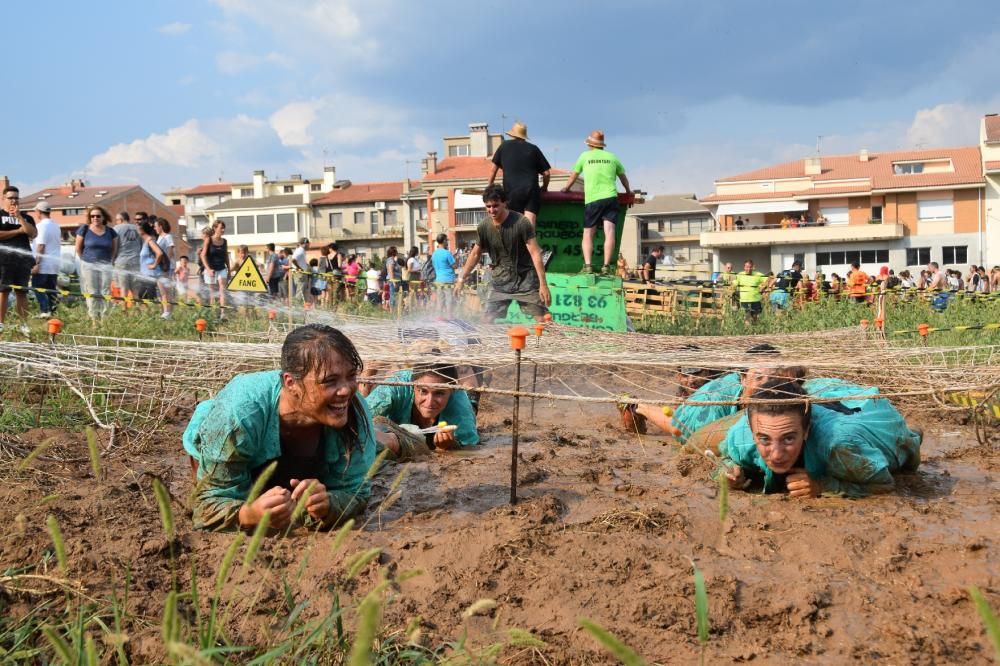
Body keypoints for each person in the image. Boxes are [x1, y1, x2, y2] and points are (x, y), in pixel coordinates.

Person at [183, 324, 376, 531]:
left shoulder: (353, 413)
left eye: (351, 376)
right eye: (330, 381)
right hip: (223, 442)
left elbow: (357, 492)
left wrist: (329, 503)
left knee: (386, 443)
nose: (346, 390)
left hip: (296, 449)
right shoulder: (237, 418)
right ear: (291, 383)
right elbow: (206, 507)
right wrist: (248, 514)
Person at [719, 378, 921, 497]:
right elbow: (722, 461)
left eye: (789, 439)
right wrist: (729, 474)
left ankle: (914, 432)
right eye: (764, 440)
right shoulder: (740, 437)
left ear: (806, 430)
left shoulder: (840, 446)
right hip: (828, 409)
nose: (777, 454)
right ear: (751, 430)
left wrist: (823, 486)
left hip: (870, 415)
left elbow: (885, 484)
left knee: (906, 447)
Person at [455, 185, 551, 323]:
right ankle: (485, 344)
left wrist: (543, 284)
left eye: (495, 206)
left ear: (504, 203)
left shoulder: (521, 222)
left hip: (525, 280)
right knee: (486, 320)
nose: (491, 210)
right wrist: (461, 279)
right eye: (488, 206)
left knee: (542, 319)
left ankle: (544, 344)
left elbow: (535, 253)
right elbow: (475, 255)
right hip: (500, 280)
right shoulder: (484, 227)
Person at [367, 361, 480, 460]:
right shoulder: (396, 387)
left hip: (463, 401)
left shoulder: (460, 407)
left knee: (471, 397)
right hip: (399, 388)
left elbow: (470, 447)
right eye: (423, 391)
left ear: (451, 392)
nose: (429, 402)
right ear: (413, 387)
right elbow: (361, 414)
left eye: (439, 393)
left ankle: (465, 369)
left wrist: (450, 446)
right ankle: (367, 377)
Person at [560, 130, 631, 276]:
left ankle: (588, 266)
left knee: (588, 233)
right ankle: (606, 266)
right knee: (609, 233)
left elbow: (574, 175)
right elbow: (623, 177)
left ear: (590, 144)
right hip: (611, 197)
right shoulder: (612, 157)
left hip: (593, 199)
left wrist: (566, 188)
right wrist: (628, 190)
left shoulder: (585, 156)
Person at [487, 121, 552, 225]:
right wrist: (544, 187)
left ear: (512, 134)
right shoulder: (533, 149)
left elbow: (493, 170)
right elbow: (547, 173)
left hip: (511, 191)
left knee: (514, 226)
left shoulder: (504, 146)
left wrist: (489, 188)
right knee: (529, 226)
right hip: (531, 191)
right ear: (524, 136)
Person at [0, 185, 37, 334]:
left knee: (22, 293)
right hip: (3, 260)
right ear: (3, 199)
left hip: (23, 260)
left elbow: (32, 234)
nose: (14, 200)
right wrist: (18, 231)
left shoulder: (27, 217)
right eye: (10, 198)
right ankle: (1, 323)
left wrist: (20, 218)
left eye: (16, 197)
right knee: (3, 291)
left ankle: (24, 324)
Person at [75, 206, 119, 322]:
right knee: (92, 291)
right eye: (92, 216)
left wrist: (112, 261)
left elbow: (114, 249)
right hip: (88, 265)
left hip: (106, 265)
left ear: (103, 217)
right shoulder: (84, 229)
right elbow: (78, 248)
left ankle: (104, 318)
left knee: (105, 291)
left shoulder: (110, 231)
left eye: (98, 216)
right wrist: (84, 260)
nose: (95, 218)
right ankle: (94, 319)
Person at [30, 201, 61, 318]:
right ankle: (53, 312)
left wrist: (36, 263)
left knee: (37, 286)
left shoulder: (41, 226)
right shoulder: (55, 225)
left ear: (38, 212)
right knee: (51, 289)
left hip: (44, 264)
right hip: (54, 264)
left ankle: (45, 311)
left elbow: (41, 246)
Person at [110, 211, 142, 304]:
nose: (116, 222)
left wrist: (112, 260)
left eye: (117, 220)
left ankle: (124, 312)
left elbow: (115, 247)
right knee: (135, 290)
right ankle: (138, 311)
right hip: (136, 261)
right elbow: (140, 245)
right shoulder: (137, 228)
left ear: (121, 219)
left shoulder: (116, 228)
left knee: (123, 288)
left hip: (121, 261)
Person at [201, 220, 231, 315]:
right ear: (215, 228)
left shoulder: (224, 241)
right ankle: (213, 313)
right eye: (221, 228)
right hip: (211, 269)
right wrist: (208, 269)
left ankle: (223, 313)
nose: (223, 230)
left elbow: (226, 256)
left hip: (222, 268)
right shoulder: (208, 240)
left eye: (223, 228)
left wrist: (229, 270)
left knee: (222, 291)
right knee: (212, 293)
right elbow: (203, 255)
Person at [137, 221, 167, 305]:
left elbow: (159, 253)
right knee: (142, 296)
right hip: (145, 275)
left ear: (142, 230)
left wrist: (154, 265)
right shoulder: (145, 241)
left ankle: (154, 314)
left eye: (138, 228)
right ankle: (149, 315)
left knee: (149, 297)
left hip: (150, 274)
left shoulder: (150, 241)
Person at [154, 218, 175, 319]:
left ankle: (168, 312)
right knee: (161, 290)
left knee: (166, 290)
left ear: (160, 226)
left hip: (167, 268)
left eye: (156, 226)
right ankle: (165, 311)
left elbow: (170, 250)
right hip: (160, 268)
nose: (155, 228)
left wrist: (166, 264)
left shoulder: (168, 236)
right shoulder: (158, 238)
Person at [431, 233, 457, 312]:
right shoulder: (447, 253)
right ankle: (449, 316)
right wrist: (456, 259)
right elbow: (454, 266)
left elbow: (434, 265)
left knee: (440, 300)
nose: (447, 242)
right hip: (448, 280)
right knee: (449, 300)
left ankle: (439, 317)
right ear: (443, 241)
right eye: (446, 240)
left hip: (438, 280)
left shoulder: (434, 254)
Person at [291, 238, 311, 304]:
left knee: (302, 292)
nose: (309, 245)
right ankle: (297, 307)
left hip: (300, 273)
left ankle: (301, 306)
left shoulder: (300, 250)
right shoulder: (300, 250)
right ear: (305, 244)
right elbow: (293, 260)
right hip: (300, 274)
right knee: (300, 292)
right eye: (308, 244)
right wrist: (299, 268)